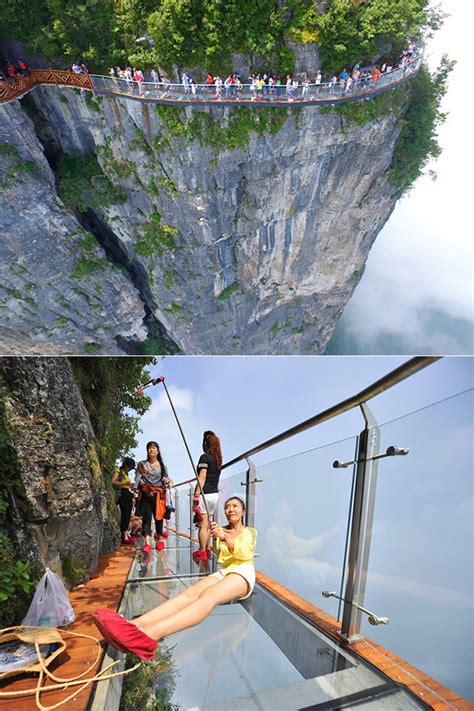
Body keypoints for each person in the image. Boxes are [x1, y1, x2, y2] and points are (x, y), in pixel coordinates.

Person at [92, 496, 257, 660]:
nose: (230, 510)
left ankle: (149, 635)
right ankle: (134, 626)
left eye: (235, 506)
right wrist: (216, 536)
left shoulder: (249, 532)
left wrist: (224, 537)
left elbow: (245, 554)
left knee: (209, 596)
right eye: (227, 507)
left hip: (243, 571)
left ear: (243, 511)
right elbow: (222, 556)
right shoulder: (220, 529)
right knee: (189, 593)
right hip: (224, 572)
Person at [135, 441, 171, 554]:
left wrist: (167, 481)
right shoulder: (142, 464)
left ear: (158, 451)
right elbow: (137, 479)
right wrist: (137, 483)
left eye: (154, 448)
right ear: (147, 450)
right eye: (149, 448)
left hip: (158, 495)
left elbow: (166, 479)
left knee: (159, 517)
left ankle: (159, 538)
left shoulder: (162, 466)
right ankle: (147, 542)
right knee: (146, 517)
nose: (151, 450)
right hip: (146, 494)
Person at [192, 431, 222, 562]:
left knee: (203, 525)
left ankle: (202, 551)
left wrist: (196, 494)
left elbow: (202, 477)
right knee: (208, 525)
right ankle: (207, 549)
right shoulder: (217, 460)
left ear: (205, 444)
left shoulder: (204, 458)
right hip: (214, 494)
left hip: (205, 494)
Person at [112, 457, 137, 544]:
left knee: (127, 514)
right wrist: (124, 484)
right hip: (123, 493)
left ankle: (126, 535)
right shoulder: (118, 470)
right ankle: (124, 536)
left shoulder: (125, 473)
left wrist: (131, 486)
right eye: (129, 467)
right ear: (125, 465)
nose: (130, 469)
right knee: (125, 514)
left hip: (127, 493)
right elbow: (113, 482)